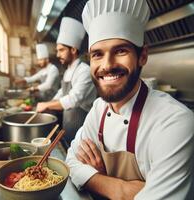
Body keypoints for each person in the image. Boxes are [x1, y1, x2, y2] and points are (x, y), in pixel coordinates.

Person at [65, 0, 194, 199]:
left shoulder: (174, 121)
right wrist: (122, 189)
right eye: (97, 54)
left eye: (120, 51)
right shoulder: (99, 108)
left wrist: (96, 178)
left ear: (142, 56)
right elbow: (71, 161)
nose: (107, 65)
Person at [36, 17, 97, 148]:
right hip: (69, 122)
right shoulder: (69, 70)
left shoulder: (84, 70)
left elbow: (73, 99)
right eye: (57, 50)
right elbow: (62, 92)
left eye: (61, 50)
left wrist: (47, 105)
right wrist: (48, 103)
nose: (58, 55)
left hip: (83, 124)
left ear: (73, 50)